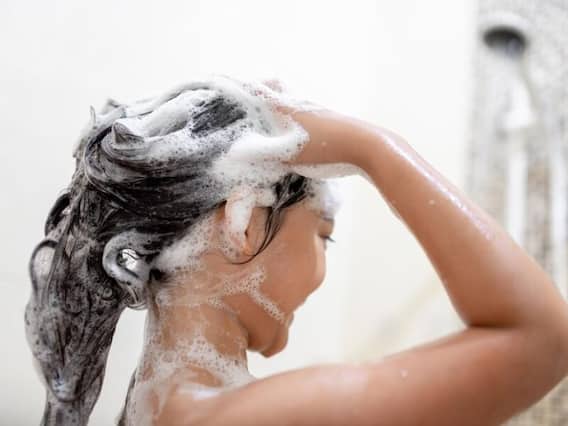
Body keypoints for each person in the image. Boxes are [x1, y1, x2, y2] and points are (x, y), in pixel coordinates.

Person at [26, 76, 568, 426]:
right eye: (322, 234)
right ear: (242, 221)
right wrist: (372, 147)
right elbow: (540, 339)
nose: (321, 268)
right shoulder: (250, 416)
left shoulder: (152, 407)